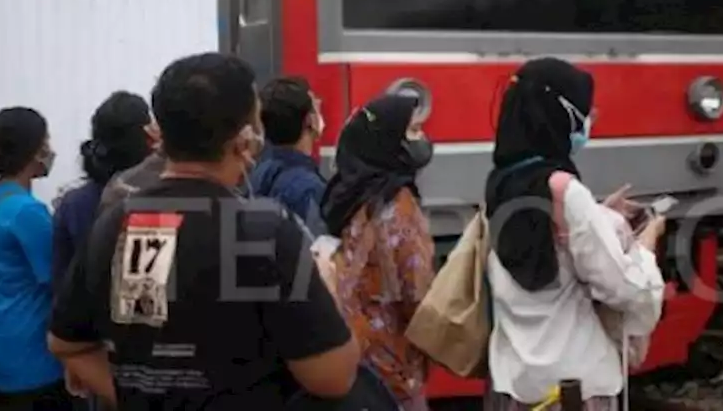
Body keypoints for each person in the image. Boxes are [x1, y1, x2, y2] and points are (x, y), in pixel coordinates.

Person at [49, 52, 360, 408]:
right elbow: (334, 378)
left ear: (159, 132)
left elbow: (66, 344)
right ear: (245, 139)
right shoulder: (264, 231)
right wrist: (327, 287)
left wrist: (136, 396)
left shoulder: (113, 223)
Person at [483, 58, 666, 410]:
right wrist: (645, 246)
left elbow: (544, 239)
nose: (587, 123)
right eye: (584, 114)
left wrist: (598, 214)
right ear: (559, 116)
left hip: (511, 377)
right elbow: (624, 289)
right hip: (573, 386)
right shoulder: (567, 192)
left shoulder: (501, 182)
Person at [320, 94, 436, 409]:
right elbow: (418, 297)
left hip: (357, 359)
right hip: (394, 368)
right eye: (411, 132)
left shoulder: (354, 202)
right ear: (389, 142)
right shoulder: (399, 207)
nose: (422, 139)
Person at [0, 107, 70, 409]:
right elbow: (60, 279)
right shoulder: (27, 211)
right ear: (34, 149)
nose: (51, 150)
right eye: (47, 141)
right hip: (28, 351)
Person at [54, 92, 158, 287]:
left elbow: (60, 279)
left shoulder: (73, 203)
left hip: (83, 312)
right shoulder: (157, 201)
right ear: (148, 139)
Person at [251, 76, 329, 235]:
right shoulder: (309, 188)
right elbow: (316, 251)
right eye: (315, 106)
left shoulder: (256, 173)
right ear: (309, 121)